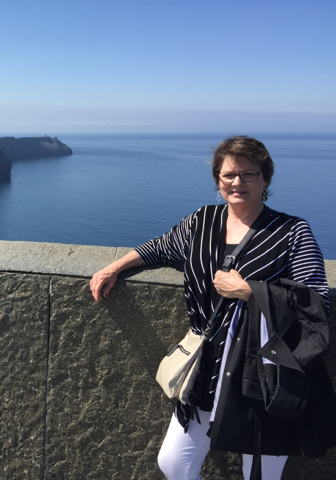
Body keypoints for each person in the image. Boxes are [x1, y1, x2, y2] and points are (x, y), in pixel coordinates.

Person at [90, 136, 336, 480]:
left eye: (249, 174)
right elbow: (160, 247)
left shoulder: (292, 232)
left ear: (265, 178)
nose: (238, 182)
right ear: (217, 179)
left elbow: (316, 302)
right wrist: (115, 267)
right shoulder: (201, 221)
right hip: (207, 367)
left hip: (262, 370)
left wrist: (250, 292)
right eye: (229, 175)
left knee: (260, 473)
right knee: (174, 463)